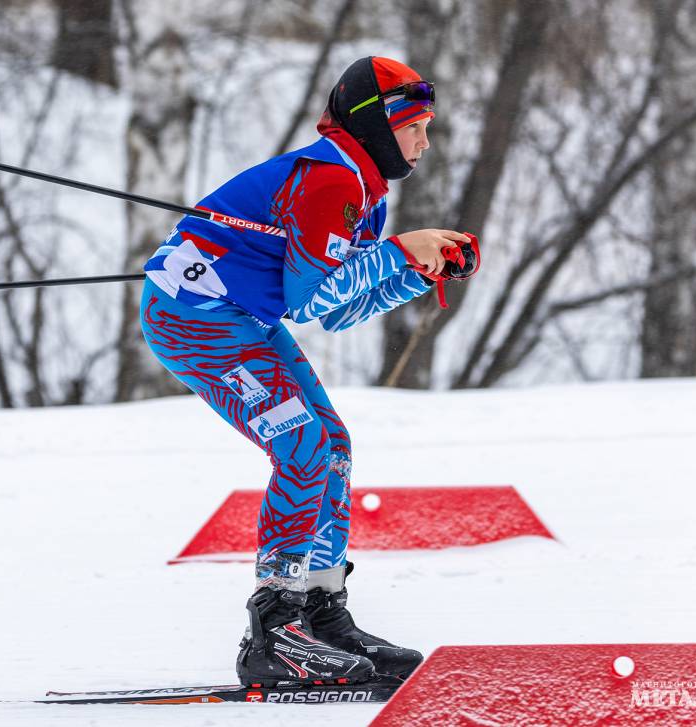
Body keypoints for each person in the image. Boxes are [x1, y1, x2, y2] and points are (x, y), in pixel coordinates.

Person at [139, 56, 479, 687]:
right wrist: (400, 251)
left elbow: (341, 311)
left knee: (332, 446)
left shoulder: (363, 191)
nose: (425, 142)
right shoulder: (332, 183)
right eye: (414, 126)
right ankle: (274, 630)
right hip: (192, 317)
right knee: (302, 444)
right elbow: (310, 301)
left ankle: (320, 613)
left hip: (238, 315)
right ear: (378, 125)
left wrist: (413, 272)